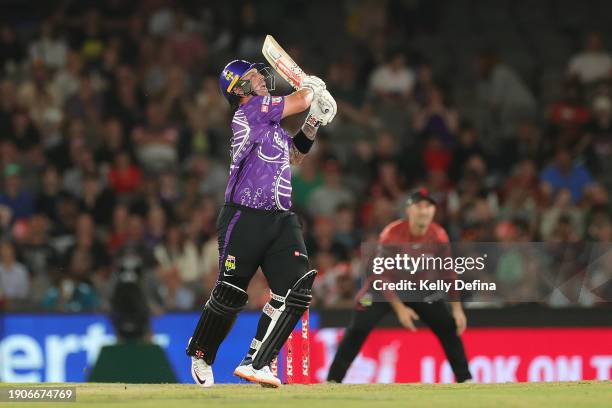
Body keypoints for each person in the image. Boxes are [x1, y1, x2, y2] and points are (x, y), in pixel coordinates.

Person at [186, 59, 337, 388]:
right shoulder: (251, 110)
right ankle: (201, 353)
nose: (260, 79)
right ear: (238, 90)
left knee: (296, 288)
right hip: (243, 214)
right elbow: (299, 100)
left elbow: (294, 154)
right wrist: (311, 88)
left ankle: (258, 360)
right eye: (252, 77)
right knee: (231, 292)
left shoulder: (273, 126)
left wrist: (312, 123)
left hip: (281, 217)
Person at [327, 188, 472, 383]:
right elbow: (381, 276)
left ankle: (466, 380)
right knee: (358, 328)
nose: (424, 211)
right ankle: (333, 380)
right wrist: (401, 309)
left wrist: (457, 309)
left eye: (428, 206)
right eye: (419, 206)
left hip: (418, 288)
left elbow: (448, 273)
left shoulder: (438, 235)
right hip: (380, 289)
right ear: (409, 210)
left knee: (448, 326)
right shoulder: (392, 234)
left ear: (434, 211)